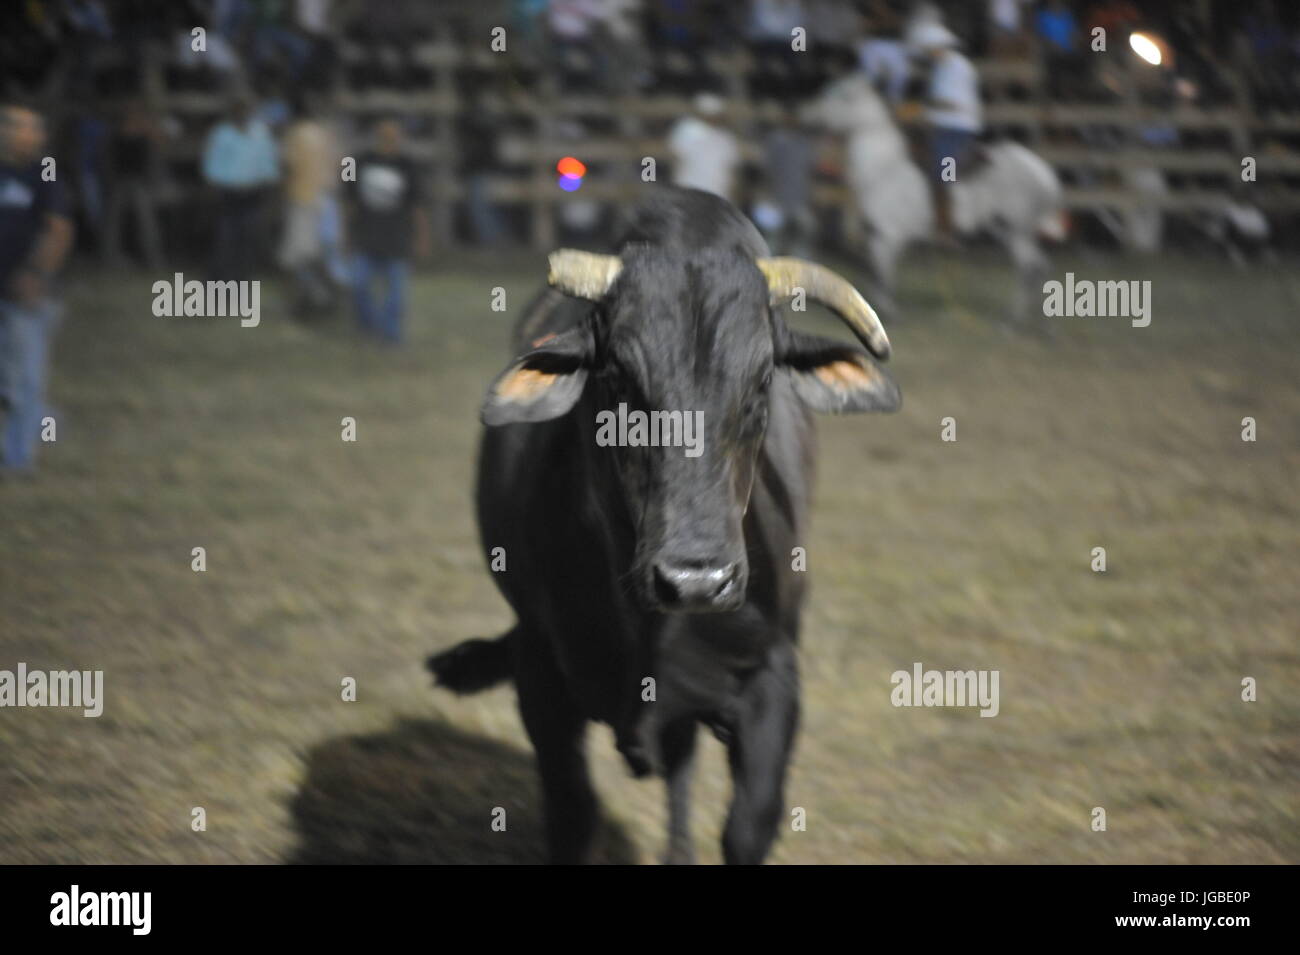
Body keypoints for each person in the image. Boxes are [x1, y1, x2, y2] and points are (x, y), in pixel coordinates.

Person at [0, 102, 74, 474]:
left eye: (33, 128)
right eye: (17, 127)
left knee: (26, 376)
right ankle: (45, 423)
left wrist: (36, 274)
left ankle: (18, 458)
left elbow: (58, 228)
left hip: (28, 293)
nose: (26, 135)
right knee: (9, 380)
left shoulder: (45, 171)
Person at [345, 117, 430, 343]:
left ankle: (391, 336)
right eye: (385, 135)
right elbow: (349, 200)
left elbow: (417, 206)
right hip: (366, 235)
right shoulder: (359, 162)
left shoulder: (408, 166)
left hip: (397, 238)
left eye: (394, 135)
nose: (390, 140)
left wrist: (421, 238)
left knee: (395, 295)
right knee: (359, 286)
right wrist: (344, 233)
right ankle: (368, 327)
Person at [909, 20, 981, 245]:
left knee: (944, 176)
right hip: (945, 127)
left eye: (929, 50)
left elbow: (951, 103)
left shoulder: (956, 67)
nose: (929, 55)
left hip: (955, 129)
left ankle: (947, 228)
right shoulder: (946, 66)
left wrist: (922, 107)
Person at [201, 94, 279, 280]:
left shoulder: (261, 133)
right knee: (225, 239)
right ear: (233, 113)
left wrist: (269, 183)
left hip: (253, 192)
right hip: (229, 193)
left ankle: (241, 280)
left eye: (246, 110)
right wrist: (215, 185)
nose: (243, 114)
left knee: (248, 238)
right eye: (239, 110)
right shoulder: (222, 134)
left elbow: (268, 163)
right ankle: (219, 281)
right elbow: (212, 165)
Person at [279, 94, 344, 315]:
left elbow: (288, 163)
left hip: (302, 196)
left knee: (301, 252)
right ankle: (328, 300)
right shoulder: (330, 134)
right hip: (327, 198)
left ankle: (309, 302)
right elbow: (345, 163)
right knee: (327, 250)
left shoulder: (296, 134)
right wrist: (342, 187)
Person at [666, 92, 741, 201]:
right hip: (690, 191)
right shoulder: (685, 130)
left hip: (718, 193)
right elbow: (675, 160)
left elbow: (731, 169)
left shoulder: (726, 137)